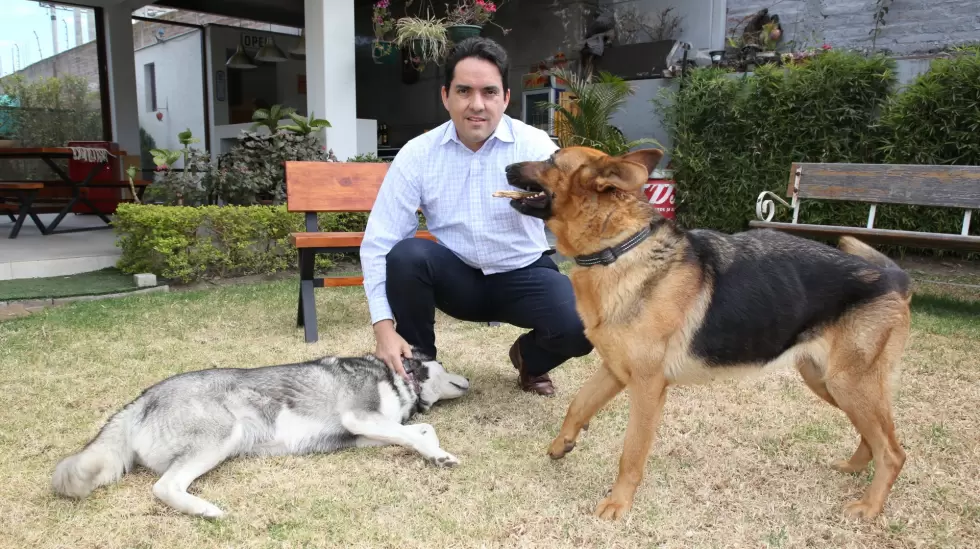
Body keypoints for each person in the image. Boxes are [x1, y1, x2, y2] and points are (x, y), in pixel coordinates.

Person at [359, 37, 592, 396]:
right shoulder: (417, 154)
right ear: (445, 96)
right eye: (464, 91)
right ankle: (421, 370)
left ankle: (530, 359)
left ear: (506, 98)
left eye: (489, 92)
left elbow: (577, 215)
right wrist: (384, 329)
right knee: (406, 255)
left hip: (524, 272)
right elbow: (380, 241)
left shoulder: (536, 147)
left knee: (581, 324)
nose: (477, 105)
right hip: (457, 279)